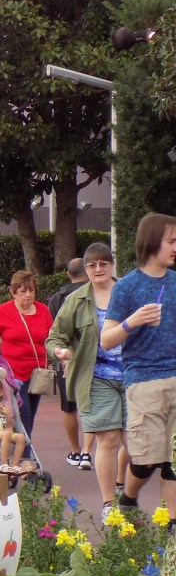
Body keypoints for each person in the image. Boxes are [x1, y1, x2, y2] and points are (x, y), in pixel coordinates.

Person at [47, 243, 130, 522]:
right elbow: (55, 336)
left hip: (133, 377)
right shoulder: (76, 300)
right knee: (108, 439)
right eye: (92, 265)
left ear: (112, 265)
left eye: (103, 263)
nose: (98, 269)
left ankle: (124, 489)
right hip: (96, 378)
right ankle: (108, 504)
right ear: (85, 269)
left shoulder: (128, 292)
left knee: (135, 444)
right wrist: (60, 351)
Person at [101, 212, 176, 519]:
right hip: (144, 380)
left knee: (172, 461)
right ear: (152, 241)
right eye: (171, 241)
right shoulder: (127, 286)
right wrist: (132, 322)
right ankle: (128, 496)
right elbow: (107, 340)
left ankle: (172, 523)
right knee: (147, 461)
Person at [0, 270, 53, 438]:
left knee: (30, 419)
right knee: (23, 418)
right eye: (23, 291)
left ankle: (16, 450)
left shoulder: (43, 311)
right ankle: (24, 453)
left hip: (37, 375)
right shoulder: (3, 311)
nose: (28, 295)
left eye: (31, 290)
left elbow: (52, 338)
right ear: (13, 292)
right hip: (13, 375)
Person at [48, 257, 93, 468]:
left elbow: (55, 330)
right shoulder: (96, 292)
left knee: (68, 407)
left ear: (68, 274)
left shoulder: (58, 298)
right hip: (91, 358)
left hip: (64, 358)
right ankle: (87, 451)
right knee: (93, 405)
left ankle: (75, 451)